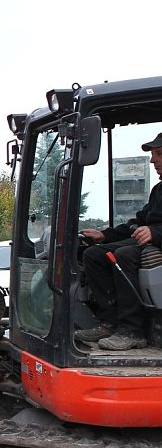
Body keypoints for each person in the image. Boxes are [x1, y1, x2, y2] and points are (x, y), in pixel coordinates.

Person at [75, 132, 162, 350]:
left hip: (156, 246)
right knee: (93, 254)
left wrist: (155, 233)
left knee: (123, 256)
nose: (153, 160)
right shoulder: (158, 190)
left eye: (159, 154)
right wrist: (105, 235)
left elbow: (150, 227)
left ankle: (133, 331)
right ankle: (110, 323)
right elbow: (138, 221)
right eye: (153, 155)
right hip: (149, 242)